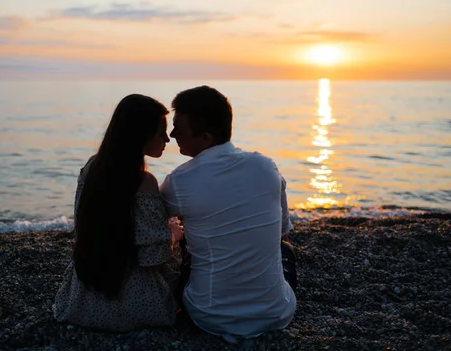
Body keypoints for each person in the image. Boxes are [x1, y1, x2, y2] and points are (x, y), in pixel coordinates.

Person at [160, 86, 297, 343]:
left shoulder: (179, 180)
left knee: (189, 248)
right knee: (285, 250)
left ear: (206, 138)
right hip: (276, 314)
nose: (172, 134)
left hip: (208, 315)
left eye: (179, 127)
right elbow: (280, 233)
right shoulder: (266, 166)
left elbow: (151, 220)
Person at [53, 94, 183, 332]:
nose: (167, 139)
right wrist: (173, 235)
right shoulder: (144, 182)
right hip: (133, 302)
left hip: (83, 298)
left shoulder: (91, 168)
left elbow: (84, 225)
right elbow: (153, 256)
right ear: (141, 136)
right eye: (161, 132)